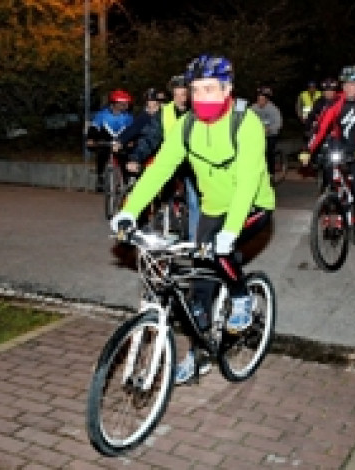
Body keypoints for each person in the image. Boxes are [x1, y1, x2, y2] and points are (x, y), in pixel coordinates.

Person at [110, 54, 275, 384]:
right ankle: (199, 356)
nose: (202, 97)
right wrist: (128, 210)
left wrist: (229, 231)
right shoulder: (187, 126)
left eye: (210, 89)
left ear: (227, 89)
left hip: (252, 206)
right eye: (196, 90)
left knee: (221, 252)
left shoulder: (246, 123)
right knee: (199, 289)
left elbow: (246, 182)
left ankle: (241, 297)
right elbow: (160, 170)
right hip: (213, 208)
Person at [304, 65, 355, 245]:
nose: (348, 88)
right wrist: (308, 150)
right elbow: (322, 128)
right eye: (345, 84)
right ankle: (333, 217)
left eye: (352, 84)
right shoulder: (336, 103)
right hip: (339, 145)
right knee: (330, 181)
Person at [161, 74, 199, 242]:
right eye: (177, 95)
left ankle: (194, 240)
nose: (181, 99)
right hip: (171, 160)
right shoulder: (164, 112)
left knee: (194, 201)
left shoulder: (197, 112)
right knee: (164, 193)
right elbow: (150, 134)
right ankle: (167, 229)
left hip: (191, 163)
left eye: (184, 94)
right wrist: (136, 155)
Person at [87, 89, 134, 192]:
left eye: (126, 104)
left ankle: (125, 181)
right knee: (102, 154)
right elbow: (94, 128)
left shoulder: (127, 117)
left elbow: (132, 130)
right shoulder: (102, 114)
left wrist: (132, 141)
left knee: (124, 157)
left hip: (121, 142)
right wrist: (91, 139)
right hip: (106, 140)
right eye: (122, 104)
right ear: (114, 103)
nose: (125, 106)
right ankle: (100, 177)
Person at [250, 85, 283, 178]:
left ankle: (271, 173)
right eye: (258, 99)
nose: (260, 101)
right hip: (257, 134)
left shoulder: (273, 109)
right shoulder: (253, 108)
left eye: (262, 99)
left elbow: (278, 123)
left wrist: (270, 129)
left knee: (269, 152)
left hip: (270, 134)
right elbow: (247, 118)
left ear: (267, 100)